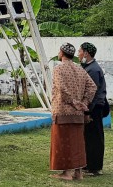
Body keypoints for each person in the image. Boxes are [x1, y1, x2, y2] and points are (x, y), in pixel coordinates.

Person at [50, 42, 97, 181]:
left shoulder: (58, 69)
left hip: (63, 111)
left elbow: (61, 89)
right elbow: (92, 87)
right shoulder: (81, 70)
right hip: (78, 113)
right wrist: (83, 103)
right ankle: (78, 173)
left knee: (63, 142)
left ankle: (67, 173)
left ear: (62, 53)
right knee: (77, 143)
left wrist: (75, 103)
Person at [78, 42, 108, 176]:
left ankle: (94, 167)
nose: (78, 54)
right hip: (93, 106)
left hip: (95, 108)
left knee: (94, 137)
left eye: (80, 51)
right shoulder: (89, 68)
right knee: (89, 136)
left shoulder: (93, 70)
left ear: (86, 53)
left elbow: (93, 93)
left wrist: (88, 111)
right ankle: (89, 165)